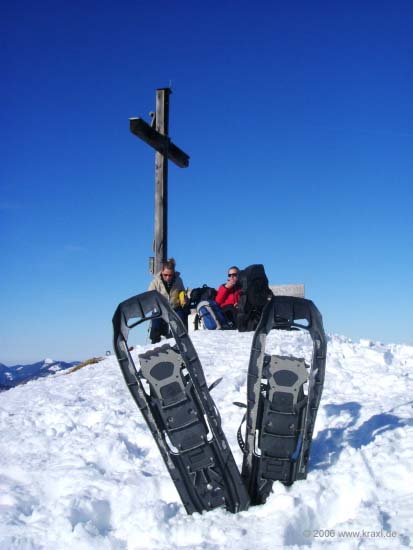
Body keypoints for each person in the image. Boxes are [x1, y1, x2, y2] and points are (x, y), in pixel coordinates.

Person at [148, 258, 188, 343]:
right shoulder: (156, 282)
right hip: (160, 309)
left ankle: (179, 342)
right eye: (165, 275)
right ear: (162, 272)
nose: (168, 277)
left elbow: (182, 291)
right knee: (156, 322)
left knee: (181, 321)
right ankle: (155, 343)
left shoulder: (178, 280)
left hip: (175, 307)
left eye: (170, 275)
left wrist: (183, 297)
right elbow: (149, 296)